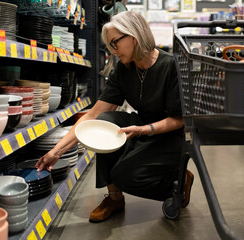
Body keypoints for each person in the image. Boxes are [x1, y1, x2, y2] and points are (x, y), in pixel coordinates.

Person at [35, 11, 194, 223]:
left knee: (124, 175)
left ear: (133, 36)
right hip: (141, 126)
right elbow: (94, 114)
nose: (112, 50)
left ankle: (178, 185)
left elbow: (180, 120)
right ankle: (115, 198)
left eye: (115, 43)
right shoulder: (123, 69)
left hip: (169, 136)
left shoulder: (170, 65)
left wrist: (143, 130)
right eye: (109, 46)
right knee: (103, 123)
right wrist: (57, 151)